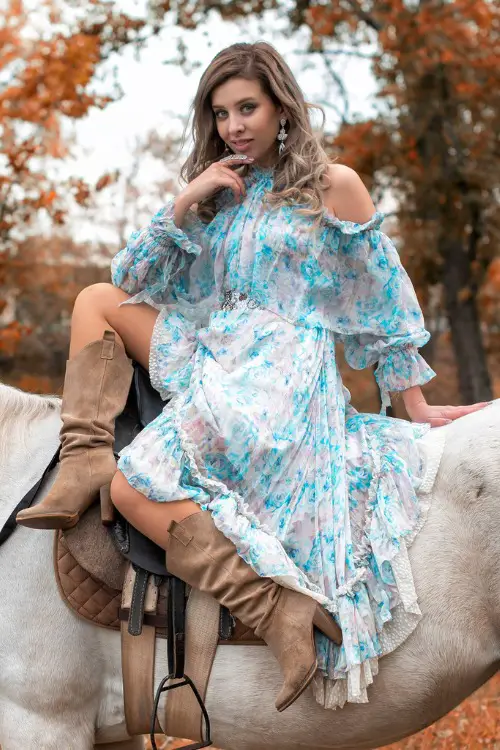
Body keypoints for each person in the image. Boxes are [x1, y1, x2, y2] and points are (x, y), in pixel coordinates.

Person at [16, 41, 488, 710]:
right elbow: (136, 280)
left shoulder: (333, 185)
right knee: (94, 298)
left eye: (248, 108)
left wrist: (414, 404)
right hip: (217, 347)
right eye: (222, 113)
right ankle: (82, 459)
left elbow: (382, 301)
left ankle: (275, 610)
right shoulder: (224, 191)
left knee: (132, 492)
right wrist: (188, 200)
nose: (236, 125)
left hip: (280, 375)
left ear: (280, 107)